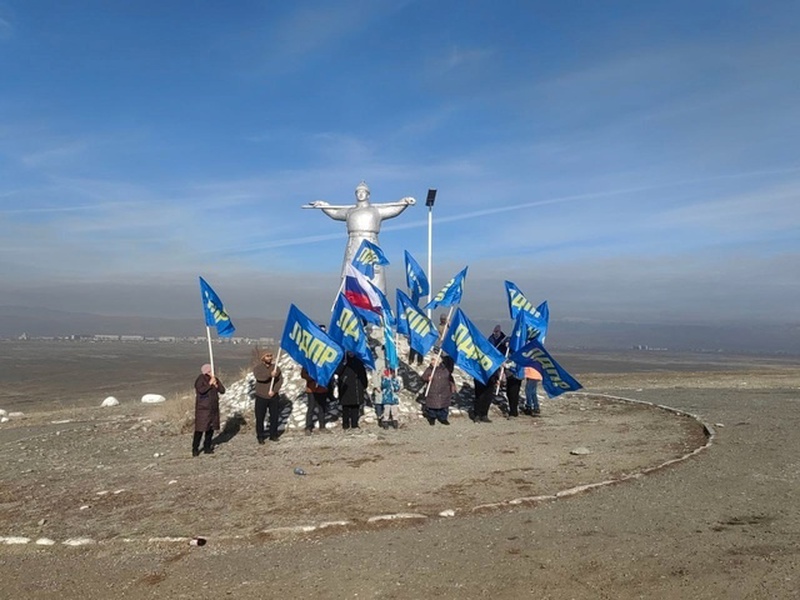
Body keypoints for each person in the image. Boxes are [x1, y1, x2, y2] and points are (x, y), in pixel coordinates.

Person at [303, 181, 415, 294]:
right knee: (352, 271)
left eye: (363, 192)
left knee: (373, 273)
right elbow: (335, 213)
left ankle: (374, 297)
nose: (361, 194)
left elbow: (394, 210)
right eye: (358, 192)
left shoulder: (376, 210)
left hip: (370, 243)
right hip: (353, 243)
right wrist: (323, 205)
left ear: (368, 195)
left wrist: (404, 202)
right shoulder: (350, 211)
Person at [193, 364, 225, 456]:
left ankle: (207, 447)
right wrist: (209, 384)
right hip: (203, 408)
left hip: (213, 408)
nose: (213, 372)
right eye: (211, 371)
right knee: (200, 429)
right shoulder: (201, 378)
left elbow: (222, 391)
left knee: (210, 429)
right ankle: (195, 449)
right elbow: (201, 390)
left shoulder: (215, 379)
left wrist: (217, 385)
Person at [253, 350, 283, 443]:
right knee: (260, 417)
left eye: (270, 355)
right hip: (261, 396)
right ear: (263, 358)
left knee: (274, 416)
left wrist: (274, 391)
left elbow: (280, 380)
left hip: (273, 396)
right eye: (267, 356)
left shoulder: (276, 368)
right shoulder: (258, 368)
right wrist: (269, 375)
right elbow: (259, 377)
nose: (269, 358)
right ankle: (260, 436)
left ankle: (273, 434)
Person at [421, 355, 456, 425]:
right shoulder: (429, 369)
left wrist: (453, 386)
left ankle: (443, 418)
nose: (432, 362)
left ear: (439, 361)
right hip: (433, 391)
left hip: (444, 391)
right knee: (432, 406)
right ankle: (432, 418)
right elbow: (423, 377)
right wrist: (428, 378)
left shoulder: (445, 369)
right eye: (432, 360)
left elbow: (450, 378)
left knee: (444, 406)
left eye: (434, 360)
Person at [338, 352, 368, 430]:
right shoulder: (343, 362)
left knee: (355, 406)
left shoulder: (358, 362)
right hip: (345, 387)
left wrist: (364, 384)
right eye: (349, 352)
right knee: (346, 407)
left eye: (352, 352)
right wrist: (343, 364)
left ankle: (354, 424)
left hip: (356, 387)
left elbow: (363, 374)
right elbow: (337, 372)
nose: (351, 354)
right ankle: (345, 424)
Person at [301, 367, 330, 434]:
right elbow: (303, 374)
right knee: (311, 407)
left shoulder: (323, 363)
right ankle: (308, 427)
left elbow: (328, 372)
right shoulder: (308, 362)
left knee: (322, 407)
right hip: (311, 389)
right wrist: (313, 378)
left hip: (322, 388)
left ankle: (322, 426)